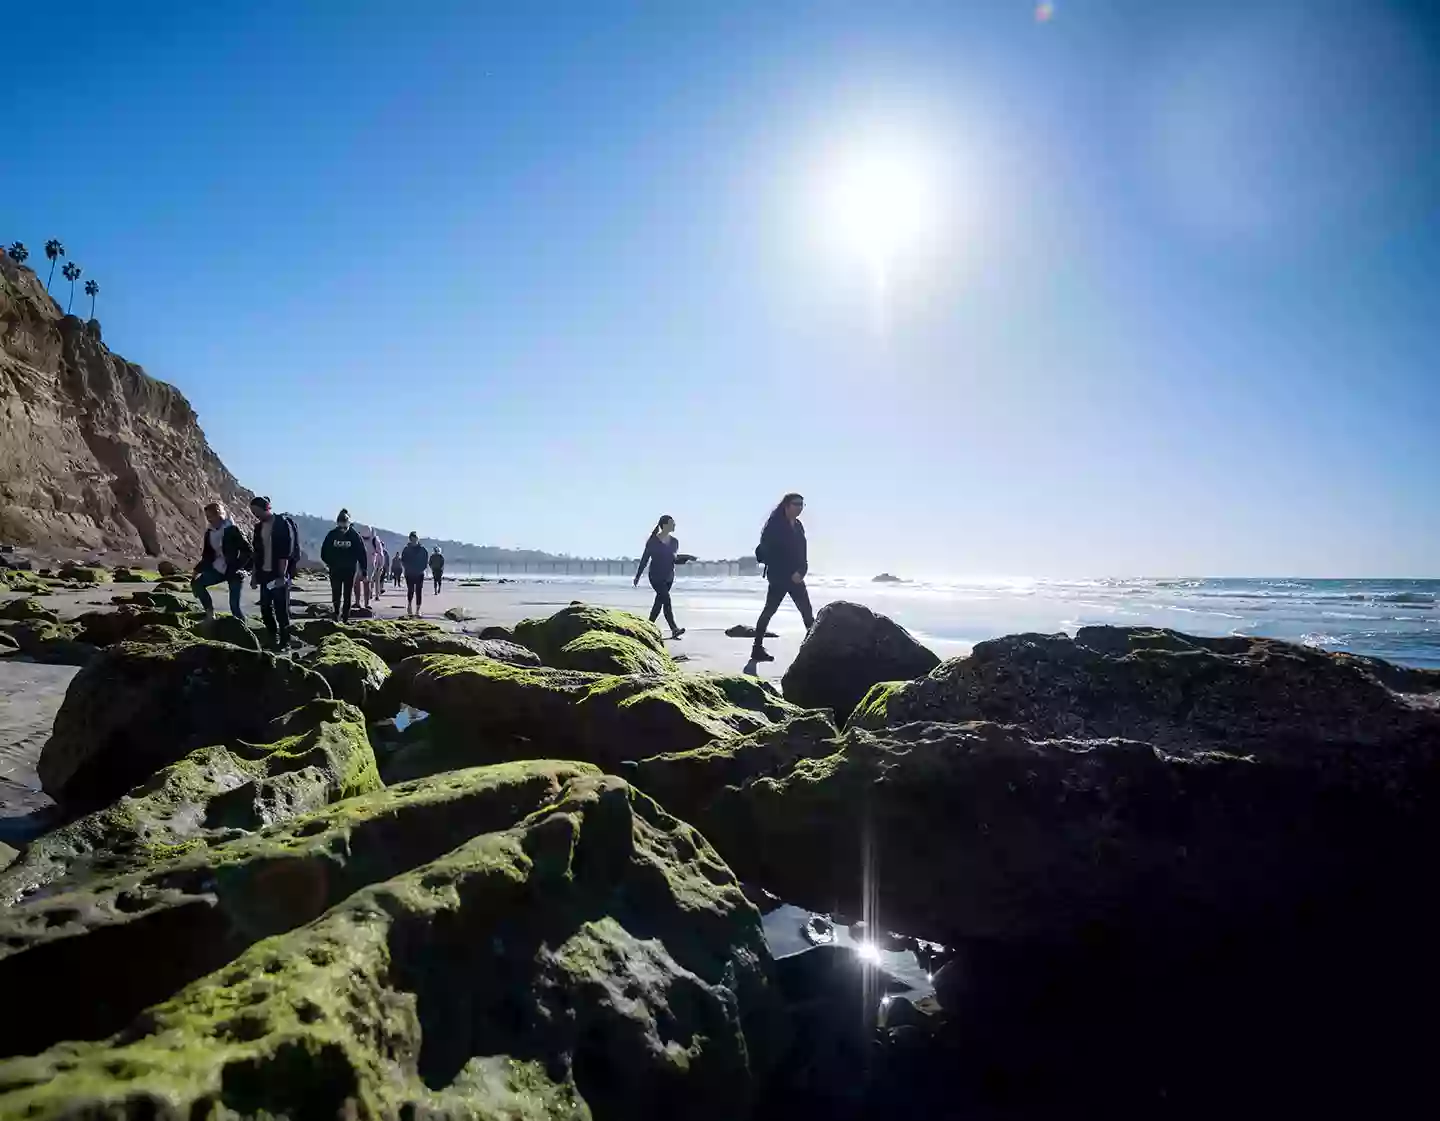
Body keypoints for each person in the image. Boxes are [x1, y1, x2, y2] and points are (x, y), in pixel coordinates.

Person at [750, 492, 814, 663]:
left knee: (807, 613)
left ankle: (815, 649)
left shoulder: (798, 526)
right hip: (779, 577)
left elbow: (803, 553)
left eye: (802, 504)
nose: (799, 507)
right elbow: (768, 554)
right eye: (796, 503)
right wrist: (788, 573)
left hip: (797, 576)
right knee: (769, 611)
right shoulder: (774, 526)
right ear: (786, 505)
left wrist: (802, 571)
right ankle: (757, 649)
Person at [633, 514, 695, 639]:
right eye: (672, 523)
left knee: (659, 603)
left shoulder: (674, 542)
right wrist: (638, 576)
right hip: (655, 576)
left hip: (669, 577)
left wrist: (686, 558)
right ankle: (674, 628)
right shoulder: (653, 541)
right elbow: (645, 559)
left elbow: (674, 559)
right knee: (666, 600)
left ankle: (648, 627)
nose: (674, 525)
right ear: (665, 525)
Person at [249, 496, 298, 651]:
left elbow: (286, 551)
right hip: (264, 573)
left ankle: (285, 642)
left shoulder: (282, 523)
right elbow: (256, 552)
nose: (255, 515)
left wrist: (282, 575)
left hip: (279, 573)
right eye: (253, 512)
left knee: (281, 609)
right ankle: (272, 637)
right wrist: (254, 575)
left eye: (257, 512)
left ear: (266, 508)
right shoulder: (258, 528)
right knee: (265, 608)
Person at [191, 501, 251, 619]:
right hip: (217, 568)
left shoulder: (232, 529)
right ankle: (210, 613)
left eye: (211, 516)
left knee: (234, 607)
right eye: (207, 517)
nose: (209, 519)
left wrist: (238, 566)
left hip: (234, 571)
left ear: (219, 514)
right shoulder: (209, 533)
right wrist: (196, 570)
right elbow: (207, 555)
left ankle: (243, 631)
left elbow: (248, 550)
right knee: (198, 584)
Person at [320, 509, 367, 623]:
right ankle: (336, 614)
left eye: (345, 524)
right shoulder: (332, 535)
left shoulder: (354, 536)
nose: (343, 527)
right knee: (336, 593)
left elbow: (362, 553)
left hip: (349, 570)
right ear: (337, 523)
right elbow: (324, 552)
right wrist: (330, 563)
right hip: (335, 569)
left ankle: (345, 617)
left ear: (348, 523)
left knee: (347, 594)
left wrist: (364, 569)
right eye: (341, 524)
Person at [401, 532, 430, 616]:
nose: (413, 540)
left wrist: (421, 569)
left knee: (418, 591)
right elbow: (403, 560)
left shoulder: (423, 550)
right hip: (409, 573)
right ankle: (409, 605)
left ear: (417, 539)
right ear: (410, 539)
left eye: (415, 538)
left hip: (419, 573)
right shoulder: (406, 549)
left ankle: (418, 610)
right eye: (412, 539)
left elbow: (425, 562)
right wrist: (407, 568)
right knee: (410, 590)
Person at [371, 535, 388, 599]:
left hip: (377, 567)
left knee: (376, 581)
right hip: (374, 567)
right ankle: (372, 593)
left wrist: (381, 567)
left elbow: (382, 560)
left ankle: (376, 595)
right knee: (373, 581)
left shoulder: (379, 552)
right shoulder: (376, 551)